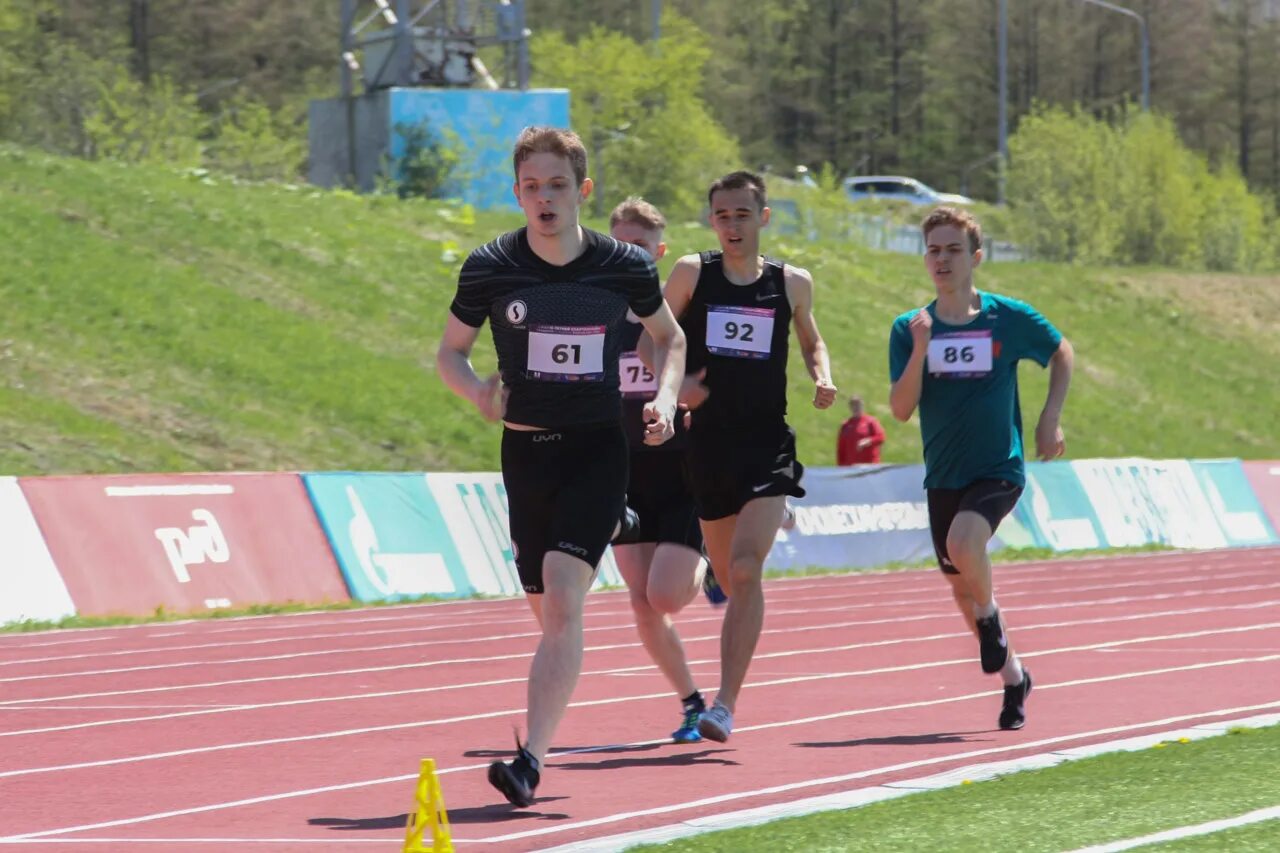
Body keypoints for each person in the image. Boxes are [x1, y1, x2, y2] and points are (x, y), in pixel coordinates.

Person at [436, 127, 687, 807]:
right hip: (524, 454)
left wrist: (663, 399)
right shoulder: (490, 266)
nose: (542, 199)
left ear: (583, 190)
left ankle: (529, 761)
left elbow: (670, 336)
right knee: (549, 611)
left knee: (564, 592)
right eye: (530, 187)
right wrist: (478, 391)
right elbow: (449, 354)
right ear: (516, 192)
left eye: (555, 185)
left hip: (597, 449)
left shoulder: (622, 266)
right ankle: (539, 735)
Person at [655, 170, 837, 743]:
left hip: (766, 446)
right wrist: (674, 390)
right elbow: (650, 336)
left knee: (748, 570)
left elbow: (811, 338)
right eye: (722, 215)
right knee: (732, 578)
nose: (732, 225)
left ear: (763, 217)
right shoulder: (691, 273)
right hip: (708, 446)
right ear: (712, 220)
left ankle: (724, 705)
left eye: (742, 214)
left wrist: (822, 374)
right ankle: (717, 568)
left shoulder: (790, 283)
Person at [888, 206, 1073, 731]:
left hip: (998, 466)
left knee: (964, 545)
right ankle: (1016, 677)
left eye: (952, 250)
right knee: (959, 585)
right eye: (933, 250)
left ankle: (991, 621)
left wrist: (1049, 417)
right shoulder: (909, 328)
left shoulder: (1005, 318)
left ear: (976, 257)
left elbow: (1061, 351)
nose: (941, 259)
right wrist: (923, 348)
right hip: (943, 473)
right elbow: (901, 409)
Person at [608, 197, 709, 744]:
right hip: (624, 477)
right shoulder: (596, 317)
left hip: (682, 476)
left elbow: (710, 389)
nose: (629, 255)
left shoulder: (680, 321)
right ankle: (691, 701)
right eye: (620, 245)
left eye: (641, 249)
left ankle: (709, 554)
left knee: (666, 595)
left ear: (659, 253)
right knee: (642, 601)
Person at [836, 394, 886, 465]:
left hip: (870, 466)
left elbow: (881, 437)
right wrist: (840, 467)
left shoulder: (870, 421)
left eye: (858, 405)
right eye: (853, 405)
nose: (855, 408)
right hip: (851, 467)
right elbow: (841, 449)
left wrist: (869, 441)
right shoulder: (845, 425)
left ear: (862, 406)